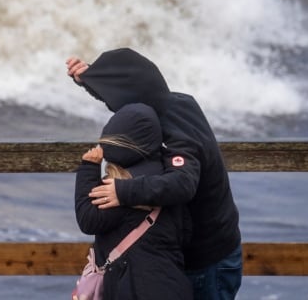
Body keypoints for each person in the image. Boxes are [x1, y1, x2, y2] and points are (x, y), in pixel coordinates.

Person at [67, 48, 242, 300]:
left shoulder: (176, 130)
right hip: (190, 248)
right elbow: (132, 96)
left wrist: (122, 191)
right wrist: (92, 80)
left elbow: (183, 183)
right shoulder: (175, 101)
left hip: (208, 256)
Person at [75, 102, 192, 300]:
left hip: (134, 288)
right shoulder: (170, 179)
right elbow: (187, 231)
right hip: (172, 283)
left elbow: (88, 219)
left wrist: (88, 169)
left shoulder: (120, 187)